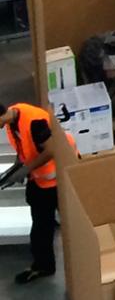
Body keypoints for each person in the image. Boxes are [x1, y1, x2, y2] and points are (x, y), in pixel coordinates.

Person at [3, 102, 65, 283]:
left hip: (56, 177)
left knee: (41, 226)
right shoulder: (12, 118)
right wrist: (17, 167)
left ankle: (44, 266)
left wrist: (25, 170)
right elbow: (23, 145)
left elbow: (52, 150)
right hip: (39, 178)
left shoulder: (35, 121)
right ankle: (44, 263)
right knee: (40, 220)